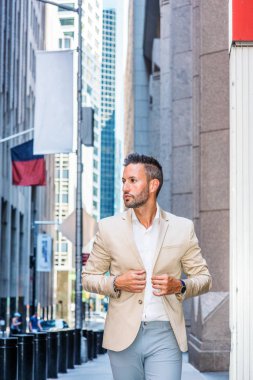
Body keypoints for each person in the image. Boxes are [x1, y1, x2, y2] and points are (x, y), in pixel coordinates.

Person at [83, 153, 212, 380]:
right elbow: (88, 277)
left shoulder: (182, 228)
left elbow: (204, 278)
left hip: (165, 333)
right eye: (124, 181)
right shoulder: (108, 228)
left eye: (133, 181)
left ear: (153, 185)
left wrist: (180, 285)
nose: (125, 187)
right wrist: (116, 282)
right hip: (123, 336)